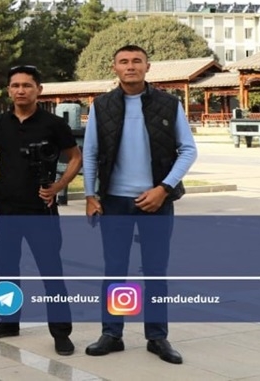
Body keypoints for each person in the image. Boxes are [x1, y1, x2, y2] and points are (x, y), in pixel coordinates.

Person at [83, 45, 195, 365]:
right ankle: (112, 333)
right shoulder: (102, 106)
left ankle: (157, 337)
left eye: (136, 61)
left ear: (148, 67)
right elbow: (90, 153)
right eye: (123, 62)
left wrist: (164, 188)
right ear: (114, 67)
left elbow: (187, 150)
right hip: (114, 202)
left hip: (156, 201)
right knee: (115, 270)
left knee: (156, 271)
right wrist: (91, 196)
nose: (130, 66)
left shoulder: (168, 104)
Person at [0, 65, 81, 356]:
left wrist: (59, 186)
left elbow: (75, 157)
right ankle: (8, 322)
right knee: (5, 271)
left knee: (51, 272)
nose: (20, 90)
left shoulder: (53, 124)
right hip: (5, 208)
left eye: (27, 85)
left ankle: (61, 332)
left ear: (39, 89)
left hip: (40, 210)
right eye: (15, 85)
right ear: (9, 90)